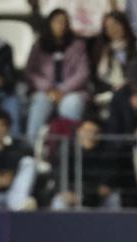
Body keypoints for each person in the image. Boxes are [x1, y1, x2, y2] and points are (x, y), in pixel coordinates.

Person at [25, 8, 90, 145]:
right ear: (50, 23)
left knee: (72, 104)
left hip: (71, 91)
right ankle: (31, 146)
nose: (61, 25)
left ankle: (66, 149)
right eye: (57, 22)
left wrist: (63, 90)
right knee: (40, 102)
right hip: (45, 90)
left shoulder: (78, 45)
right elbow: (31, 71)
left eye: (64, 22)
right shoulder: (39, 45)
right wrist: (48, 88)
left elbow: (83, 72)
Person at [53, 117, 123, 209]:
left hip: (96, 198)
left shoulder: (106, 152)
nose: (90, 135)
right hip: (73, 194)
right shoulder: (67, 151)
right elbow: (60, 177)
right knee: (59, 202)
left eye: (94, 132)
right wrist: (68, 192)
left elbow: (107, 182)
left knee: (114, 198)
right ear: (79, 131)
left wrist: (92, 190)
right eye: (87, 131)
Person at [92, 11, 137, 98]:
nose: (113, 29)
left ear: (124, 25)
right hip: (108, 91)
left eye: (116, 24)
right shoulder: (101, 50)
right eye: (108, 27)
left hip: (132, 91)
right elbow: (98, 77)